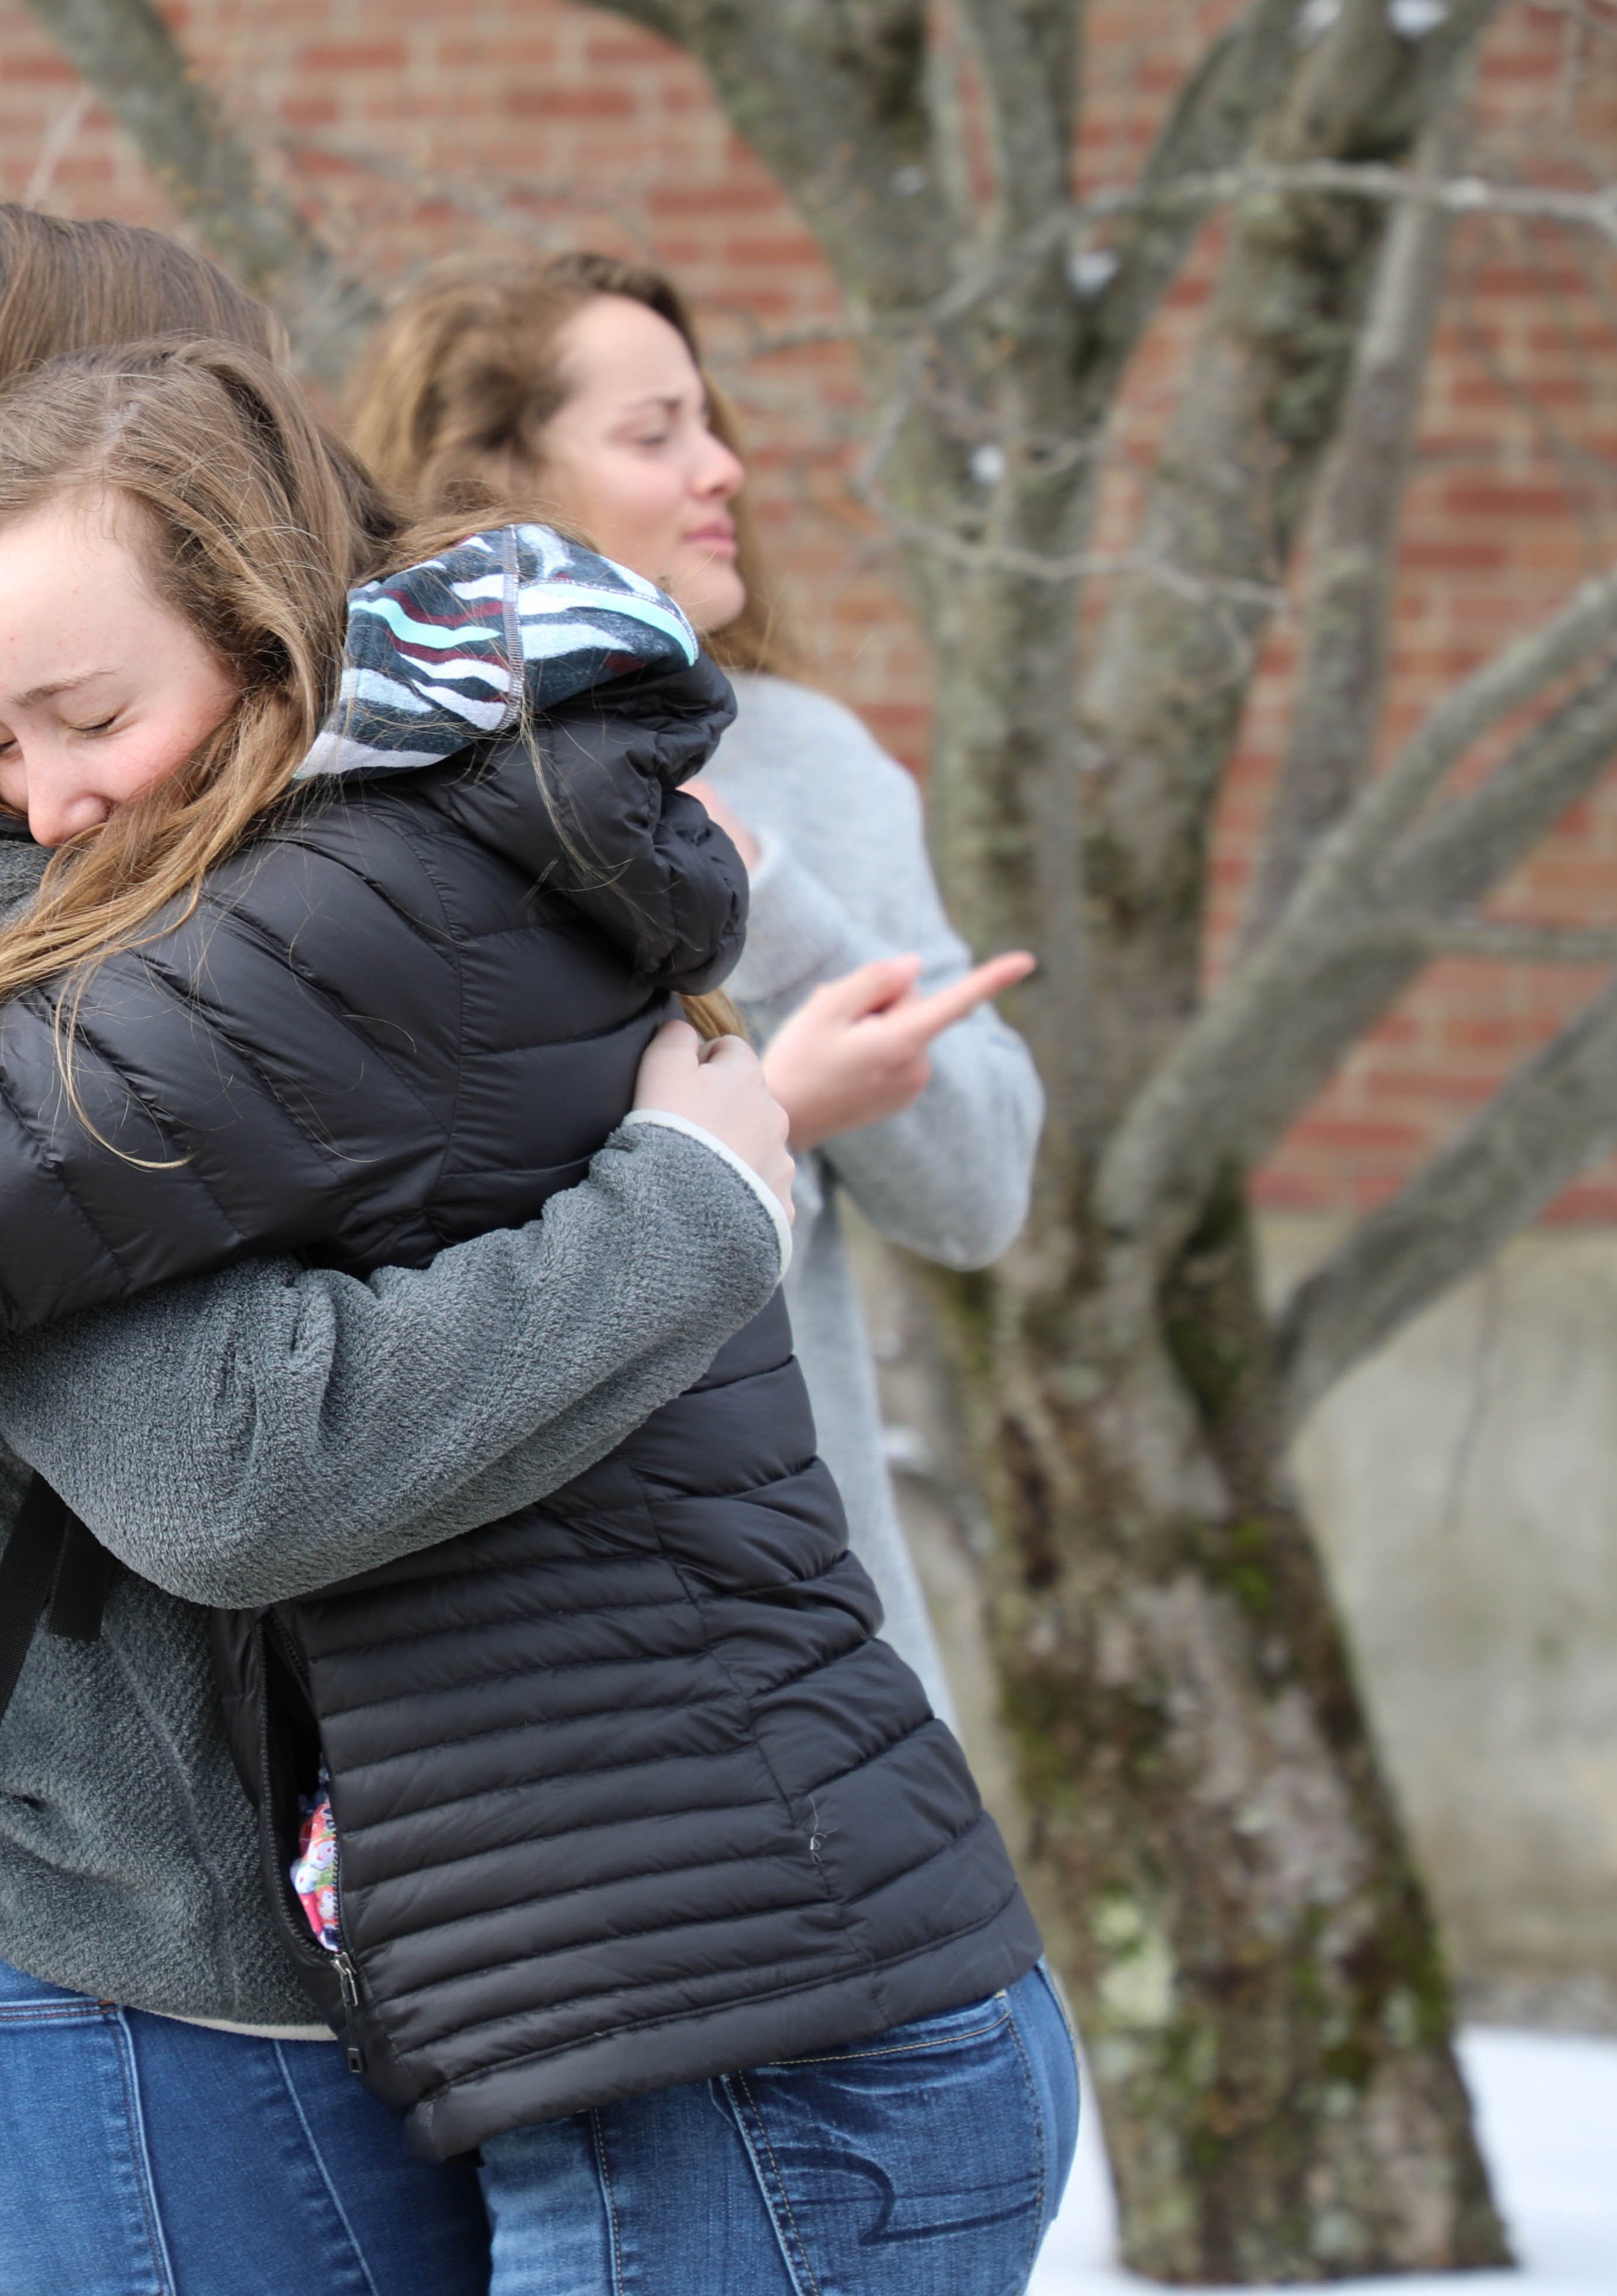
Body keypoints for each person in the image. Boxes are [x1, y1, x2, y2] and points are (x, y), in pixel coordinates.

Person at [0, 313, 1074, 2291]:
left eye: (86, 717)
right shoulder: (354, 848)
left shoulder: (342, 905)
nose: (43, 807)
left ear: (266, 640)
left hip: (741, 2020)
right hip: (676, 2000)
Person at [348, 250, 1048, 1724]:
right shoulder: (384, 809)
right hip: (515, 1660)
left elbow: (980, 1197)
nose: (723, 465)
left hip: (810, 1634)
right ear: (506, 479)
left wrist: (767, 898)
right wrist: (777, 1111)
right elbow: (449, 1310)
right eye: (654, 433)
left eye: (708, 419)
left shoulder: (809, 761)